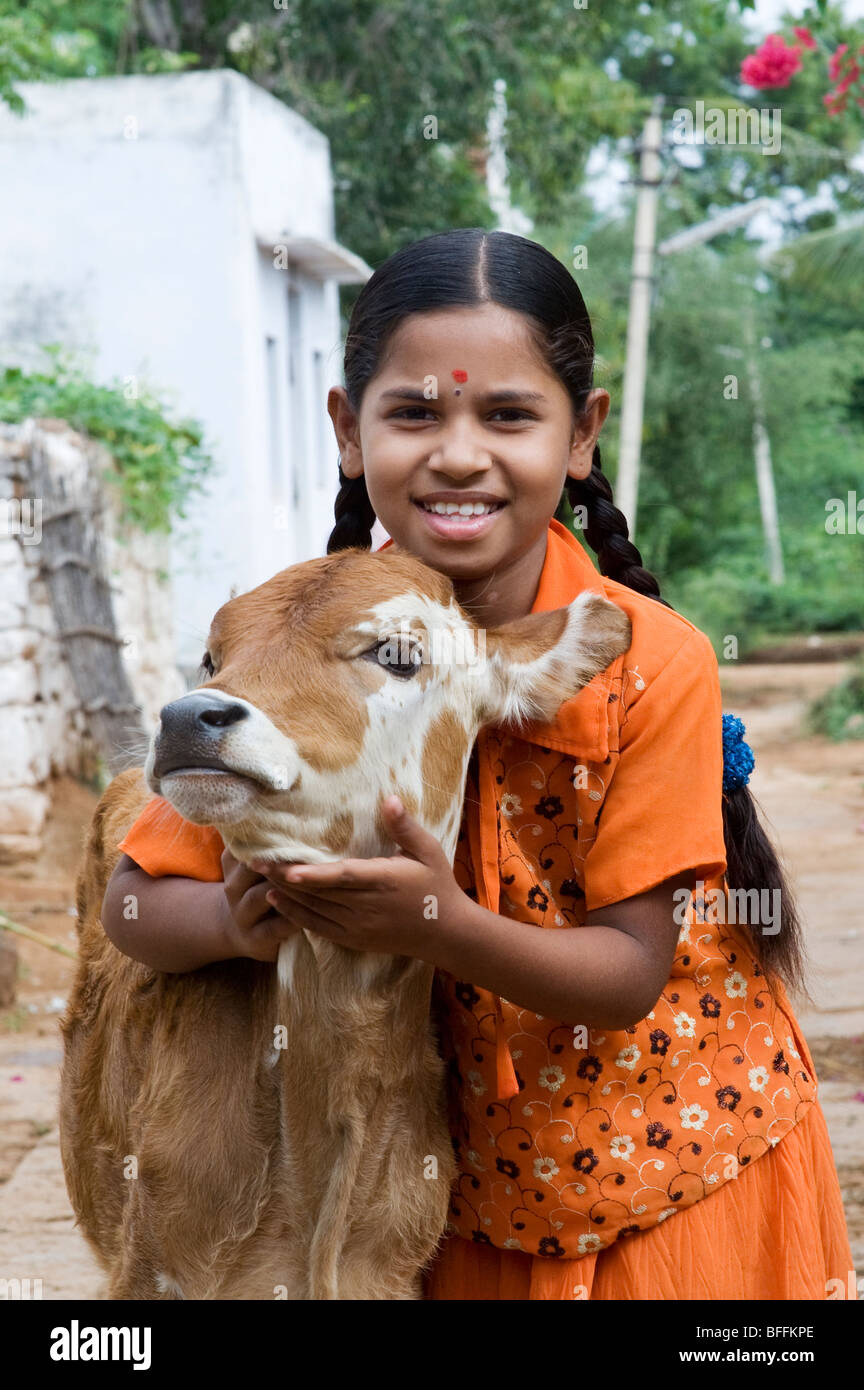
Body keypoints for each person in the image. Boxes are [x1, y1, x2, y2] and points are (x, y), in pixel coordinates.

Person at [103, 227, 855, 1301]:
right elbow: (129, 909)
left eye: (508, 415)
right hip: (453, 1192)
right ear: (348, 432)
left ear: (582, 434)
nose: (458, 453)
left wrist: (435, 923)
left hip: (684, 1169)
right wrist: (230, 924)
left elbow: (631, 972)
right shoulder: (287, 640)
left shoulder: (649, 661)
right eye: (413, 412)